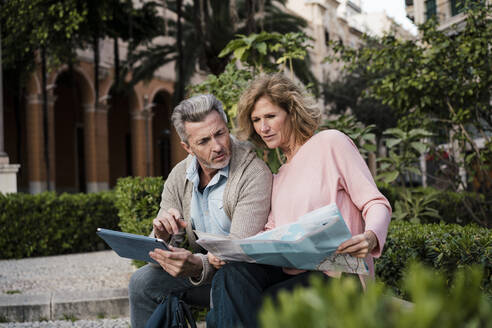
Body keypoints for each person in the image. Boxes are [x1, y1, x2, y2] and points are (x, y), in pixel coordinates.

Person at [206, 74, 392, 328]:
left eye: (270, 116)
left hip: (338, 278)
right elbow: (271, 234)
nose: (263, 128)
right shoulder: (279, 176)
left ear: (292, 112)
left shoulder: (330, 143)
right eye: (256, 120)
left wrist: (370, 236)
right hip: (293, 276)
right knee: (229, 277)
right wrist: (228, 251)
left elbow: (375, 202)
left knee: (248, 308)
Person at [128, 94, 273, 328]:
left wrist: (197, 265)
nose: (217, 146)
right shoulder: (179, 175)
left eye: (220, 133)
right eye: (204, 141)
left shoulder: (253, 173)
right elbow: (157, 260)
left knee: (228, 280)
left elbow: (240, 253)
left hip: (243, 279)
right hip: (206, 275)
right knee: (143, 282)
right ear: (188, 147)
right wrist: (162, 238)